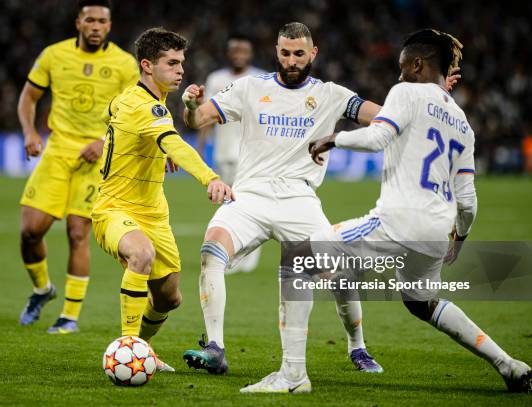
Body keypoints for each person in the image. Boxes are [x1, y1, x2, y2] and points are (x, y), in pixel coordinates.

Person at [266, 28, 531, 394]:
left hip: (396, 222)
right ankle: (509, 363)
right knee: (422, 303)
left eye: (403, 67)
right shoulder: (464, 124)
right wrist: (461, 236)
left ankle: (292, 378)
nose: (398, 75)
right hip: (437, 232)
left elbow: (377, 138)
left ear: (418, 64)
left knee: (298, 258)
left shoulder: (406, 91)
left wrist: (334, 137)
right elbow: (467, 200)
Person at [181, 22, 389, 381]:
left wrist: (420, 105)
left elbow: (385, 117)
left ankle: (357, 345)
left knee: (338, 274)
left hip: (299, 199)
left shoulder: (332, 94)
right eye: (285, 53)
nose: (292, 61)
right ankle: (215, 349)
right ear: (276, 52)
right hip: (250, 195)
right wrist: (189, 105)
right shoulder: (249, 88)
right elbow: (198, 118)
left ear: (313, 53)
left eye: (299, 54)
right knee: (210, 252)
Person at [93, 27, 233, 372]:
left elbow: (112, 116)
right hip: (114, 209)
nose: (181, 70)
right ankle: (128, 347)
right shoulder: (146, 108)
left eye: (181, 62)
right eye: (171, 63)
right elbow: (174, 143)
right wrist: (210, 177)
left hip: (154, 215)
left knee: (169, 297)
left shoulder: (138, 102)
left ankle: (143, 349)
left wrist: (149, 148)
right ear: (146, 65)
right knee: (140, 254)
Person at [17, 0, 139, 334]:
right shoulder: (54, 55)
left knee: (77, 232)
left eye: (102, 21)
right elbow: (29, 96)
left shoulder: (125, 64)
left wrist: (103, 141)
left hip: (97, 155)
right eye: (90, 20)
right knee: (30, 231)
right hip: (57, 149)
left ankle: (69, 316)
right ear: (78, 23)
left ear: (110, 26)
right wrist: (29, 131)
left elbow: (134, 111)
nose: (96, 26)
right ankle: (43, 289)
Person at [196, 35, 265, 274]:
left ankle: (246, 257)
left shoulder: (260, 79)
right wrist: (201, 147)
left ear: (250, 53)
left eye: (243, 50)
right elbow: (206, 116)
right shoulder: (216, 79)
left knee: (245, 205)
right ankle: (235, 254)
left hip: (250, 154)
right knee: (229, 204)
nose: (238, 54)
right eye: (234, 50)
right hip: (223, 152)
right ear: (228, 53)